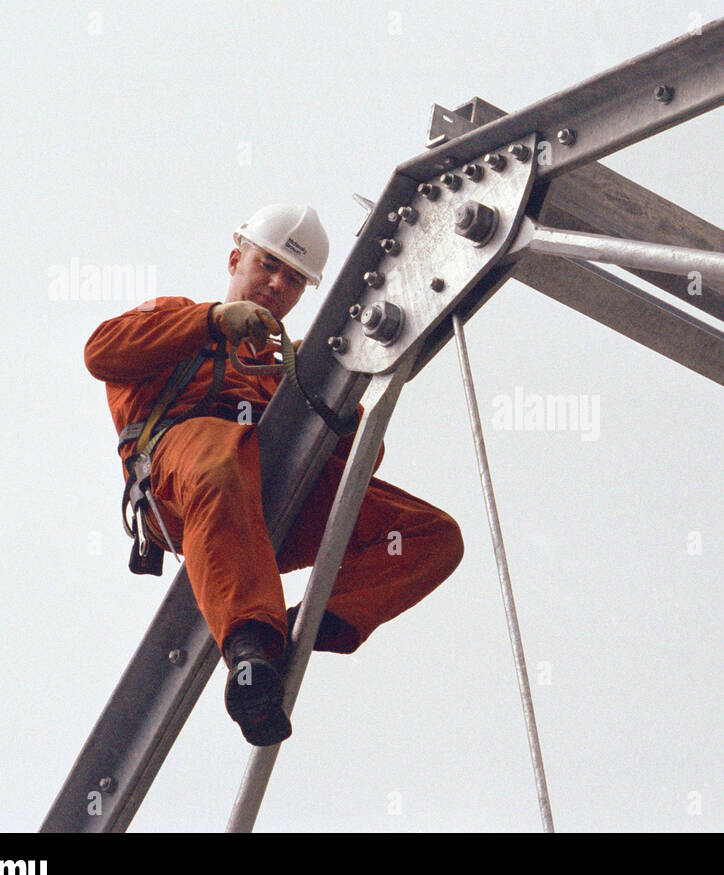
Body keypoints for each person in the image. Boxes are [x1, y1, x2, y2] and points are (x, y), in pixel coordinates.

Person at [84, 204, 464, 747]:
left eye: (293, 279)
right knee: (222, 456)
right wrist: (209, 322)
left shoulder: (281, 368)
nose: (277, 284)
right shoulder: (175, 318)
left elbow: (356, 466)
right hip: (184, 484)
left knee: (431, 536)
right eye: (268, 265)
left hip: (266, 506)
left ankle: (300, 629)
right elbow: (102, 351)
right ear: (236, 257)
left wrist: (328, 391)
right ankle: (250, 650)